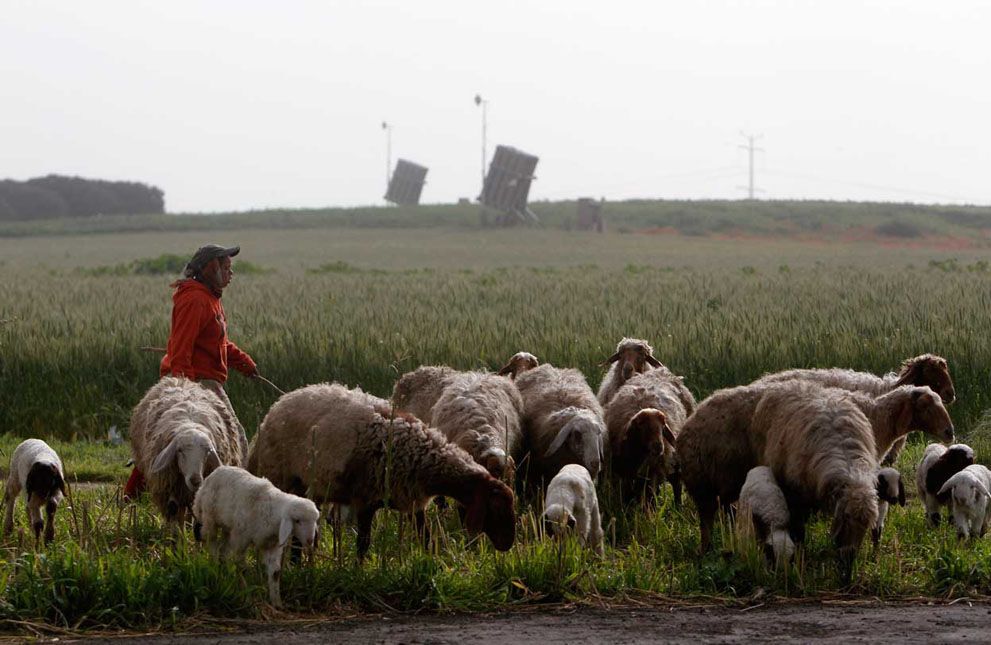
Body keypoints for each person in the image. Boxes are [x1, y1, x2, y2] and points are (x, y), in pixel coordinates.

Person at [123, 244, 258, 499]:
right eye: (226, 268)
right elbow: (182, 349)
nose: (231, 274)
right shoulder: (195, 299)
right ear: (211, 269)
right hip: (196, 383)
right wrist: (184, 391)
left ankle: (132, 495)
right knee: (234, 437)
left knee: (166, 441)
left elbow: (217, 343)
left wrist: (244, 363)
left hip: (202, 380)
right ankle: (229, 497)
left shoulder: (209, 298)